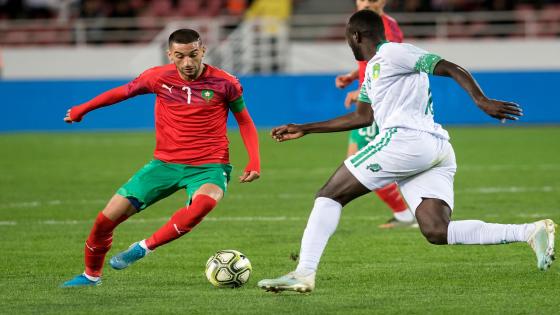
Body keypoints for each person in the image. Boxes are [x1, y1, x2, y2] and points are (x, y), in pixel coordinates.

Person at [258, 10, 555, 293]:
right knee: (436, 230)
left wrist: (481, 100)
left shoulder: (394, 52)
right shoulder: (373, 69)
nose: (348, 43)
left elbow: (450, 67)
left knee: (329, 195)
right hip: (432, 151)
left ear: (357, 36)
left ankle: (303, 273)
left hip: (407, 142)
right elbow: (362, 117)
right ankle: (530, 231)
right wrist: (306, 128)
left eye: (348, 38)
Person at [61, 29, 261, 287]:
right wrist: (82, 109)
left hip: (210, 166)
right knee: (104, 221)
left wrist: (254, 160)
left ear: (203, 51)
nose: (187, 63)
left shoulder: (225, 83)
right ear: (170, 55)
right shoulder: (157, 77)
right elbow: (122, 92)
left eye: (193, 55)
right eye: (179, 56)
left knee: (201, 206)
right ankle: (91, 276)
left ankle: (143, 247)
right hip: (164, 165)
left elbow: (244, 121)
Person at [336, 0, 412, 228]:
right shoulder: (368, 22)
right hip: (371, 96)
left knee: (361, 161)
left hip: (377, 100)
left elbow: (390, 63)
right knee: (359, 159)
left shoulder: (387, 27)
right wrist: (352, 76)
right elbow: (371, 58)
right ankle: (406, 212)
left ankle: (407, 213)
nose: (366, 2)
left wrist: (361, 89)